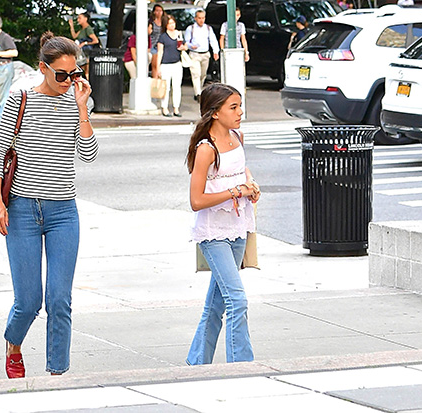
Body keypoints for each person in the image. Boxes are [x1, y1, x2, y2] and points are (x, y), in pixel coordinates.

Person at [0, 31, 99, 378]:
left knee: (60, 300)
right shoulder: (20, 98)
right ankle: (14, 343)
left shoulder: (78, 102)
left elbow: (88, 154)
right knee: (29, 301)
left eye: (74, 74)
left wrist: (82, 109)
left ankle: (58, 373)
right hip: (22, 210)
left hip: (63, 212)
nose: (69, 81)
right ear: (42, 68)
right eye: (61, 74)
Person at [185, 83, 261, 366]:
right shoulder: (206, 149)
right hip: (213, 233)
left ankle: (197, 363)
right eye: (233, 107)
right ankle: (241, 366)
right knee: (237, 300)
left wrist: (250, 185)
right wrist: (233, 192)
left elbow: (241, 169)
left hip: (239, 227)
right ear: (215, 113)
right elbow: (196, 200)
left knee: (216, 304)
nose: (240, 112)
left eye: (240, 105)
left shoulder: (237, 136)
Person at [185, 9, 220, 102]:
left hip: (205, 54)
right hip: (194, 54)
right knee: (196, 74)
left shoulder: (208, 28)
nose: (201, 20)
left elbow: (213, 40)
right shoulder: (190, 28)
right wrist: (190, 45)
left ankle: (199, 89)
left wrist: (215, 51)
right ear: (195, 18)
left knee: (203, 74)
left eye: (203, 18)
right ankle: (198, 94)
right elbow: (187, 41)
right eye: (199, 18)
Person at [157, 15, 187, 117]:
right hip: (165, 64)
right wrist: (158, 67)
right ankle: (164, 108)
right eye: (170, 24)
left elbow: (185, 45)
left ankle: (176, 108)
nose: (172, 25)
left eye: (173, 23)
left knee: (177, 87)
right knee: (166, 88)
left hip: (177, 63)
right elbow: (160, 52)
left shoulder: (179, 34)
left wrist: (183, 47)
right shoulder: (163, 37)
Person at [0, 15, 18, 116]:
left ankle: (4, 123)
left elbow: (14, 53)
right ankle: (6, 115)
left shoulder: (5, 37)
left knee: (3, 98)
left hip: (5, 67)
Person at [68, 12, 100, 79]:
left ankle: (88, 86)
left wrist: (84, 43)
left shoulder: (88, 29)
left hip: (86, 53)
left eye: (80, 18)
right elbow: (74, 36)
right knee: (83, 71)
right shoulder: (82, 29)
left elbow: (96, 40)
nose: (78, 20)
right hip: (82, 54)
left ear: (85, 19)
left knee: (85, 71)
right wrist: (71, 26)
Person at [148, 4, 167, 79]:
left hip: (162, 45)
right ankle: (155, 81)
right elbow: (148, 33)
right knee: (155, 65)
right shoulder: (151, 22)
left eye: (160, 11)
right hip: (153, 46)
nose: (159, 13)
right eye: (157, 11)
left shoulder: (165, 22)